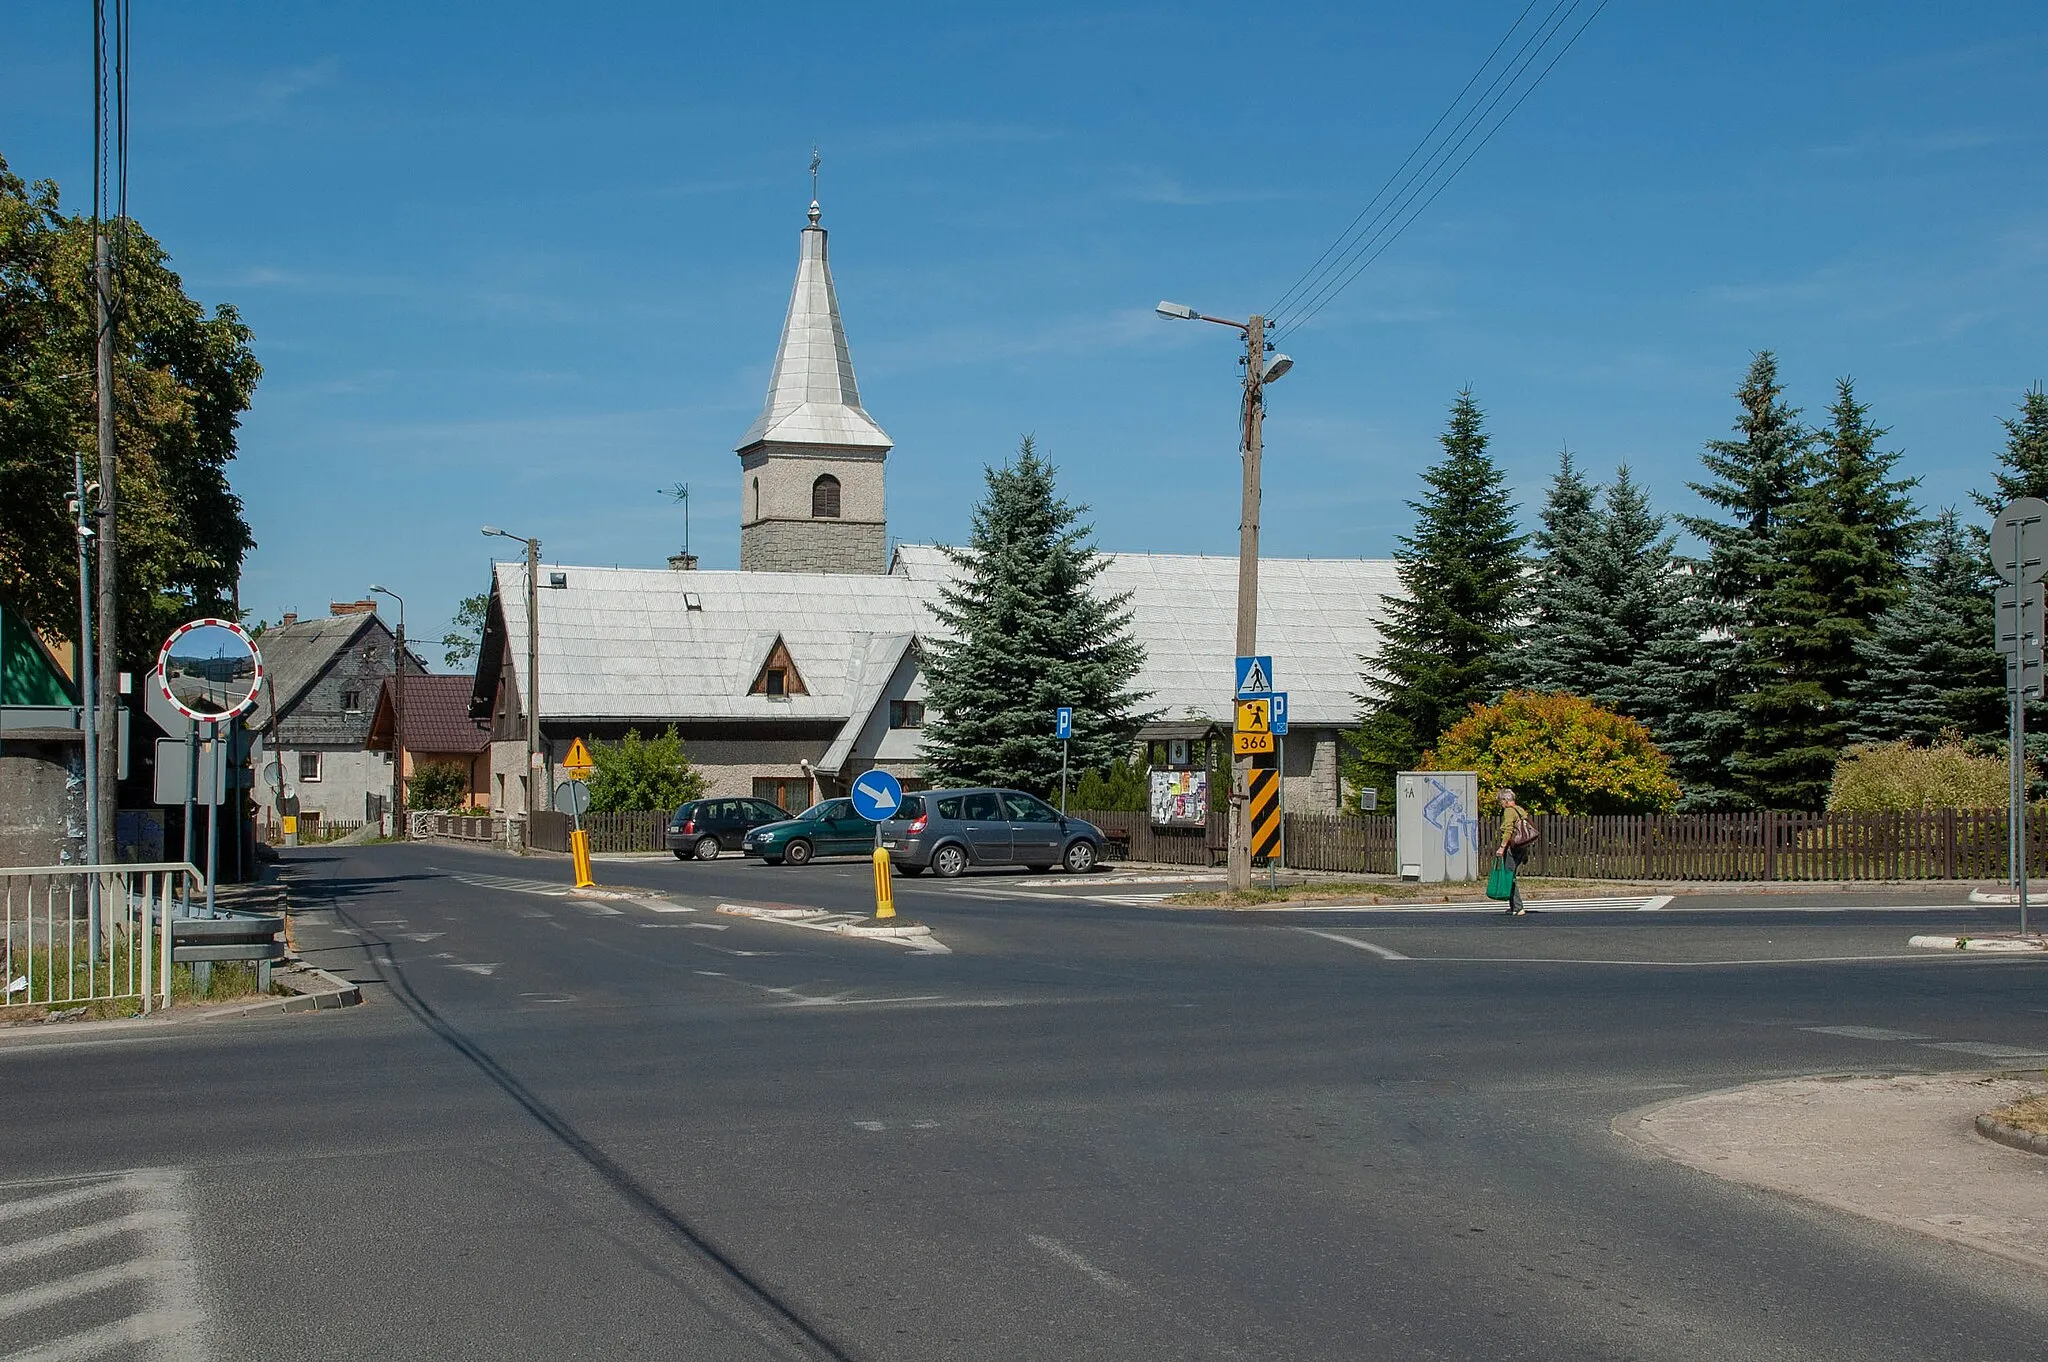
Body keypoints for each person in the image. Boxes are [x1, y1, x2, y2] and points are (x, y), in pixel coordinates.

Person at [1494, 787, 1533, 916]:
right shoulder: (1520, 810)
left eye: (1501, 801)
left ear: (1505, 800)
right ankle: (1513, 906)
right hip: (1521, 847)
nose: (1501, 804)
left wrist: (1502, 847)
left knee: (1509, 876)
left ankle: (1518, 906)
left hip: (1512, 847)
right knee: (1510, 875)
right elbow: (1524, 832)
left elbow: (1509, 830)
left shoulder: (1509, 811)